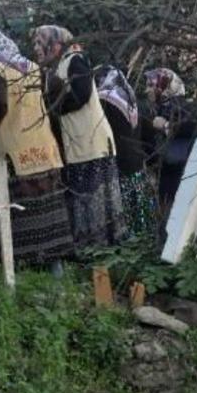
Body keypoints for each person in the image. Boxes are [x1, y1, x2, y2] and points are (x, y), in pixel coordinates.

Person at [0, 30, 74, 267]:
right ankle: (56, 277)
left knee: (16, 225)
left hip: (12, 159)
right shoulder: (33, 67)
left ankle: (20, 276)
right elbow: (59, 90)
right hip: (45, 154)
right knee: (49, 224)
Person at [32, 25, 126, 251]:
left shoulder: (75, 60)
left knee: (96, 199)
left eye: (40, 43)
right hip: (78, 145)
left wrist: (57, 100)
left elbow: (80, 96)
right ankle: (91, 251)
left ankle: (103, 251)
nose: (36, 49)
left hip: (92, 143)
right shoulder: (56, 68)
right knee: (83, 199)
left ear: (55, 44)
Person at [94, 66, 156, 240]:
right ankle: (142, 247)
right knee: (140, 215)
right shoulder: (129, 98)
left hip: (120, 164)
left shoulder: (104, 101)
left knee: (125, 216)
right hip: (136, 165)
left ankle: (128, 249)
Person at [143, 68, 197, 229]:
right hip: (166, 173)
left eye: (150, 85)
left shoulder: (185, 106)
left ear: (163, 86)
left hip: (178, 174)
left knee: (175, 224)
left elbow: (195, 127)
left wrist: (167, 126)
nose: (146, 90)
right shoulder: (160, 107)